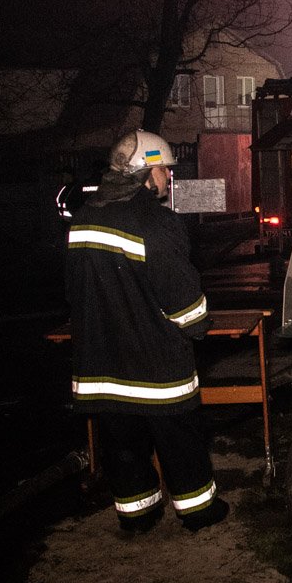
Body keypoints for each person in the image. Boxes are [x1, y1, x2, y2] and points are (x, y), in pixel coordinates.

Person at [65, 129, 229, 534]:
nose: (167, 179)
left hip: (101, 370)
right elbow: (185, 304)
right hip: (157, 372)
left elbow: (76, 293)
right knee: (181, 445)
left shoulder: (84, 218)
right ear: (146, 171)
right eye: (164, 171)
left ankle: (137, 516)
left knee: (123, 449)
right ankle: (198, 513)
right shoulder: (154, 222)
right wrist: (198, 324)